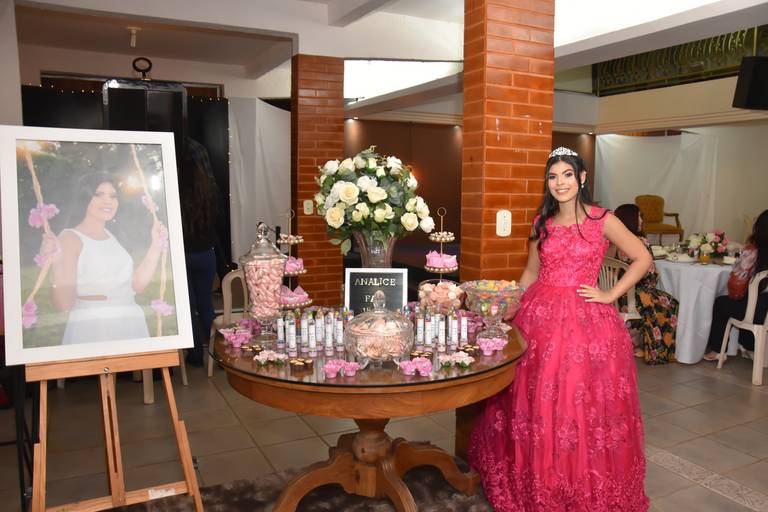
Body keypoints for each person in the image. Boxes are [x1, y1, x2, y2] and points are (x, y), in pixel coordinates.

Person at [469, 147, 650, 511]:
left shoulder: (603, 219)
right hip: (538, 318)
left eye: (568, 174)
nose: (560, 182)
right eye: (553, 176)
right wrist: (508, 306)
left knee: (575, 403)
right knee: (535, 399)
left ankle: (578, 485)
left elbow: (642, 257)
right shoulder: (543, 222)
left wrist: (610, 294)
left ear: (582, 178)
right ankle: (538, 479)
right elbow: (530, 271)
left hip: (586, 323)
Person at [41, 172, 167, 344]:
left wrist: (156, 245)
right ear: (85, 198)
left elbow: (136, 285)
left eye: (113, 196)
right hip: (96, 328)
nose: (108, 201)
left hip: (130, 322)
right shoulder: (70, 239)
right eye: (99, 194)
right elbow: (63, 304)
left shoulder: (114, 236)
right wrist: (56, 264)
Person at [608, 204, 679, 364]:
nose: (641, 220)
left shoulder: (612, 241)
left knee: (653, 299)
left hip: (617, 296)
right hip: (634, 296)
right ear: (630, 220)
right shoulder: (639, 242)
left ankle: (636, 344)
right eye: (638, 216)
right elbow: (650, 275)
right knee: (671, 303)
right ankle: (657, 352)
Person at [703, 210, 768, 361]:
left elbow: (735, 285)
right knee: (749, 302)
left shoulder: (752, 252)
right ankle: (750, 347)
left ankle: (718, 350)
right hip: (765, 311)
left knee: (722, 303)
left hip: (756, 312)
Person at [179, 154, 220, 366]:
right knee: (206, 304)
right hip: (206, 253)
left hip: (184, 254)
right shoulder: (209, 193)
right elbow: (217, 222)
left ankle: (195, 354)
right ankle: (219, 353)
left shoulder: (177, 195)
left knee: (189, 306)